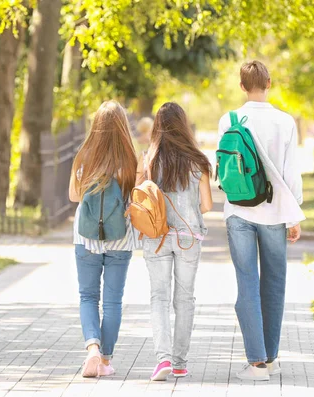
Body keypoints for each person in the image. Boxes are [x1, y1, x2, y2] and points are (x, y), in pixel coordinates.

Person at [217, 61, 305, 381]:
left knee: (247, 284)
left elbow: (225, 166)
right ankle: (271, 358)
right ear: (269, 82)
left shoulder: (228, 119)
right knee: (274, 284)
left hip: (238, 210)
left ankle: (256, 364)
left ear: (242, 86)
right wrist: (294, 214)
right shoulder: (285, 121)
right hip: (275, 212)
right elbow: (291, 173)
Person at [137, 102, 213, 381]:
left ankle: (163, 360)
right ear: (183, 125)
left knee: (158, 297)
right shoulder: (198, 161)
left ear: (157, 127)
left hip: (155, 236)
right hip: (188, 238)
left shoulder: (149, 160)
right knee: (185, 299)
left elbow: (139, 197)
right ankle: (180, 362)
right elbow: (206, 206)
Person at [69, 100, 139, 378]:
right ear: (123, 127)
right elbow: (136, 199)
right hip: (120, 239)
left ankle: (92, 350)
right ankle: (106, 361)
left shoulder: (83, 157)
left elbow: (74, 196)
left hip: (85, 238)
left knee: (87, 296)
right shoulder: (131, 161)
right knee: (112, 301)